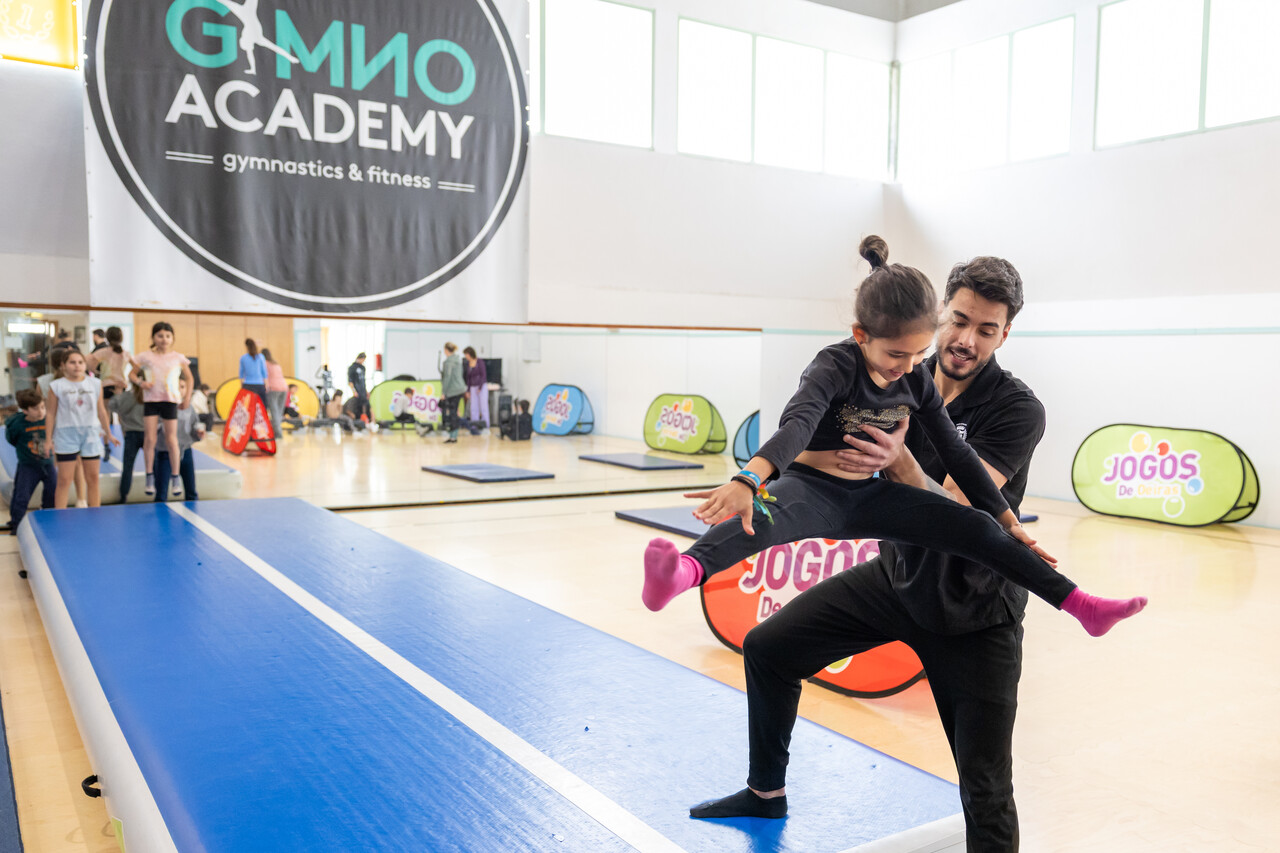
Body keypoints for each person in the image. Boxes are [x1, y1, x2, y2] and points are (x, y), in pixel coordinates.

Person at [678, 246, 1147, 845]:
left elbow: (955, 509)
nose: (966, 339)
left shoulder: (1017, 409)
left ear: (1004, 335)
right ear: (939, 312)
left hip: (975, 611)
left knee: (985, 787)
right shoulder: (895, 375)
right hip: (896, 580)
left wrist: (899, 462)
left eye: (986, 330)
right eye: (959, 319)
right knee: (769, 649)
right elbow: (818, 444)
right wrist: (780, 471)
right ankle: (765, 794)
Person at [643, 236, 1146, 629]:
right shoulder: (834, 366)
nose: (909, 368)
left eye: (918, 354)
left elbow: (956, 454)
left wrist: (1005, 517)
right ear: (861, 335)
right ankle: (681, 574)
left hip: (872, 498)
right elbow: (797, 425)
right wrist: (749, 479)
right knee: (761, 518)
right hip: (814, 491)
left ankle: (1080, 604)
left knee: (979, 529)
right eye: (896, 355)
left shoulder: (919, 379)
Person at [45, 350, 118, 508]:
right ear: (63, 365)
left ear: (85, 365)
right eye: (72, 362)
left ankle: (95, 513)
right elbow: (50, 414)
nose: (77, 366)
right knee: (64, 479)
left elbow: (101, 410)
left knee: (93, 478)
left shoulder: (95, 384)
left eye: (80, 362)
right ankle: (60, 514)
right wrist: (48, 440)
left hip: (90, 433)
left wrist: (109, 434)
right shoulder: (56, 386)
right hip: (66, 434)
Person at [131, 321, 194, 497]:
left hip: (170, 400)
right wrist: (141, 383)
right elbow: (131, 374)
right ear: (153, 338)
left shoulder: (178, 357)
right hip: (152, 400)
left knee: (171, 439)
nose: (164, 339)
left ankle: (175, 477)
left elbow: (190, 378)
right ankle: (149, 476)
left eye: (167, 336)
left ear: (172, 338)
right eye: (160, 336)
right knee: (150, 439)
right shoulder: (145, 356)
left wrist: (187, 397)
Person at [5, 389, 56, 533]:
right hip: (28, 465)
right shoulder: (17, 424)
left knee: (52, 492)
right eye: (35, 409)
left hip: (48, 464)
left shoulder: (48, 420)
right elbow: (11, 439)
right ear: (25, 410)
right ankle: (16, 524)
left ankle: (47, 521)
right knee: (21, 496)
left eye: (42, 407)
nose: (41, 412)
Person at [153, 377, 205, 502]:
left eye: (182, 387)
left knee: (191, 490)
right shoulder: (162, 407)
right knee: (161, 492)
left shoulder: (189, 408)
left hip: (185, 451)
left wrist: (198, 434)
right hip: (165, 453)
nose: (180, 390)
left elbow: (195, 426)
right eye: (177, 387)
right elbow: (154, 428)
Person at [108, 382, 146, 501]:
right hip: (147, 433)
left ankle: (123, 495)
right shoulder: (148, 395)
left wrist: (118, 395)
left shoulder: (127, 396)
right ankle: (159, 492)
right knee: (154, 465)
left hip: (131, 433)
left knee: (128, 466)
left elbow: (111, 406)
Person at [87, 326, 131, 401]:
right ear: (121, 338)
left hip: (107, 385)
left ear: (107, 337)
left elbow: (87, 360)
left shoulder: (103, 352)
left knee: (106, 408)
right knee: (120, 408)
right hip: (121, 385)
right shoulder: (126, 353)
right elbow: (137, 366)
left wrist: (96, 372)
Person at [439, 343, 465, 443]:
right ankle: (453, 436)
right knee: (455, 412)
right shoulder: (458, 360)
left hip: (452, 390)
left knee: (452, 414)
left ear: (446, 350)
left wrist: (443, 392)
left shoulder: (448, 362)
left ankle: (453, 437)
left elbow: (447, 378)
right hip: (460, 389)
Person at [262, 348, 287, 439]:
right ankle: (277, 431)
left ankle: (278, 434)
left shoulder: (265, 364)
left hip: (273, 388)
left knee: (274, 412)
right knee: (279, 413)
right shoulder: (276, 363)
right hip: (284, 388)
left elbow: (264, 377)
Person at [463, 347, 489, 433]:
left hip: (482, 387)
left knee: (483, 407)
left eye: (466, 354)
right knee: (473, 407)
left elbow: (483, 375)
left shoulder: (480, 362)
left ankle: (485, 425)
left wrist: (480, 387)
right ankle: (474, 425)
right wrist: (468, 390)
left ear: (470, 354)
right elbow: (468, 378)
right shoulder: (468, 364)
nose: (465, 356)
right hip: (473, 387)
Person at [239, 339, 268, 408]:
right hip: (259, 385)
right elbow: (264, 372)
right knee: (262, 407)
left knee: (249, 407)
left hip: (247, 385)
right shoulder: (261, 357)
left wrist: (242, 386)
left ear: (246, 347)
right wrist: (266, 385)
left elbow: (241, 374)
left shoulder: (243, 358)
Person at [347, 353, 370, 422]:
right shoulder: (352, 368)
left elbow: (363, 381)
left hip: (363, 391)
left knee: (365, 405)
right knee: (356, 406)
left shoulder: (363, 368)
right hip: (357, 391)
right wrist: (354, 391)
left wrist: (366, 391)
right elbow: (350, 381)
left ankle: (365, 420)